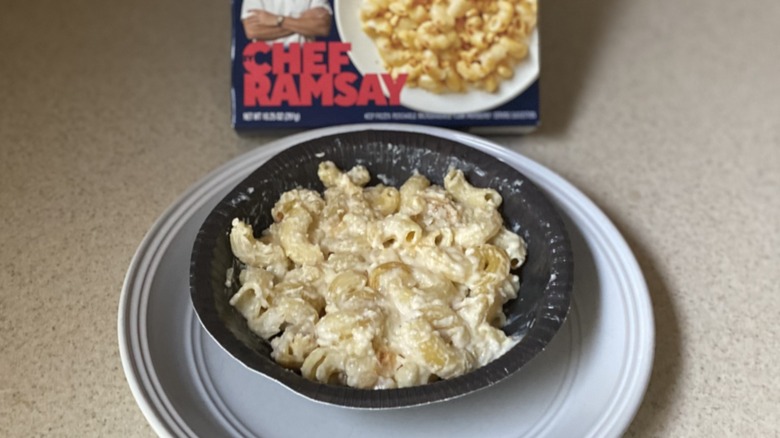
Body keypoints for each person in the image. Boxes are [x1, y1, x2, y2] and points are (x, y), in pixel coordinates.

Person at [241, 0, 333, 45]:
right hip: (266, 60)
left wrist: (277, 20)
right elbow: (252, 31)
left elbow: (323, 27)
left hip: (305, 60)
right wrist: (303, 23)